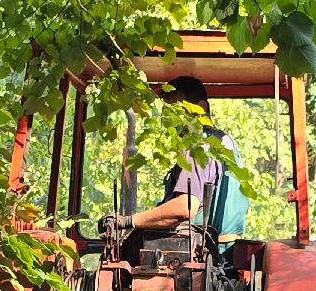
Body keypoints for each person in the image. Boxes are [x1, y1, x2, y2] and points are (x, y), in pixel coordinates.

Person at [98, 75, 250, 252]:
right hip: (227, 253)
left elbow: (185, 207)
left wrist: (129, 221)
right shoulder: (225, 142)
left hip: (200, 254)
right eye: (166, 112)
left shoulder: (198, 147)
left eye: (176, 111)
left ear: (201, 108)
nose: (168, 119)